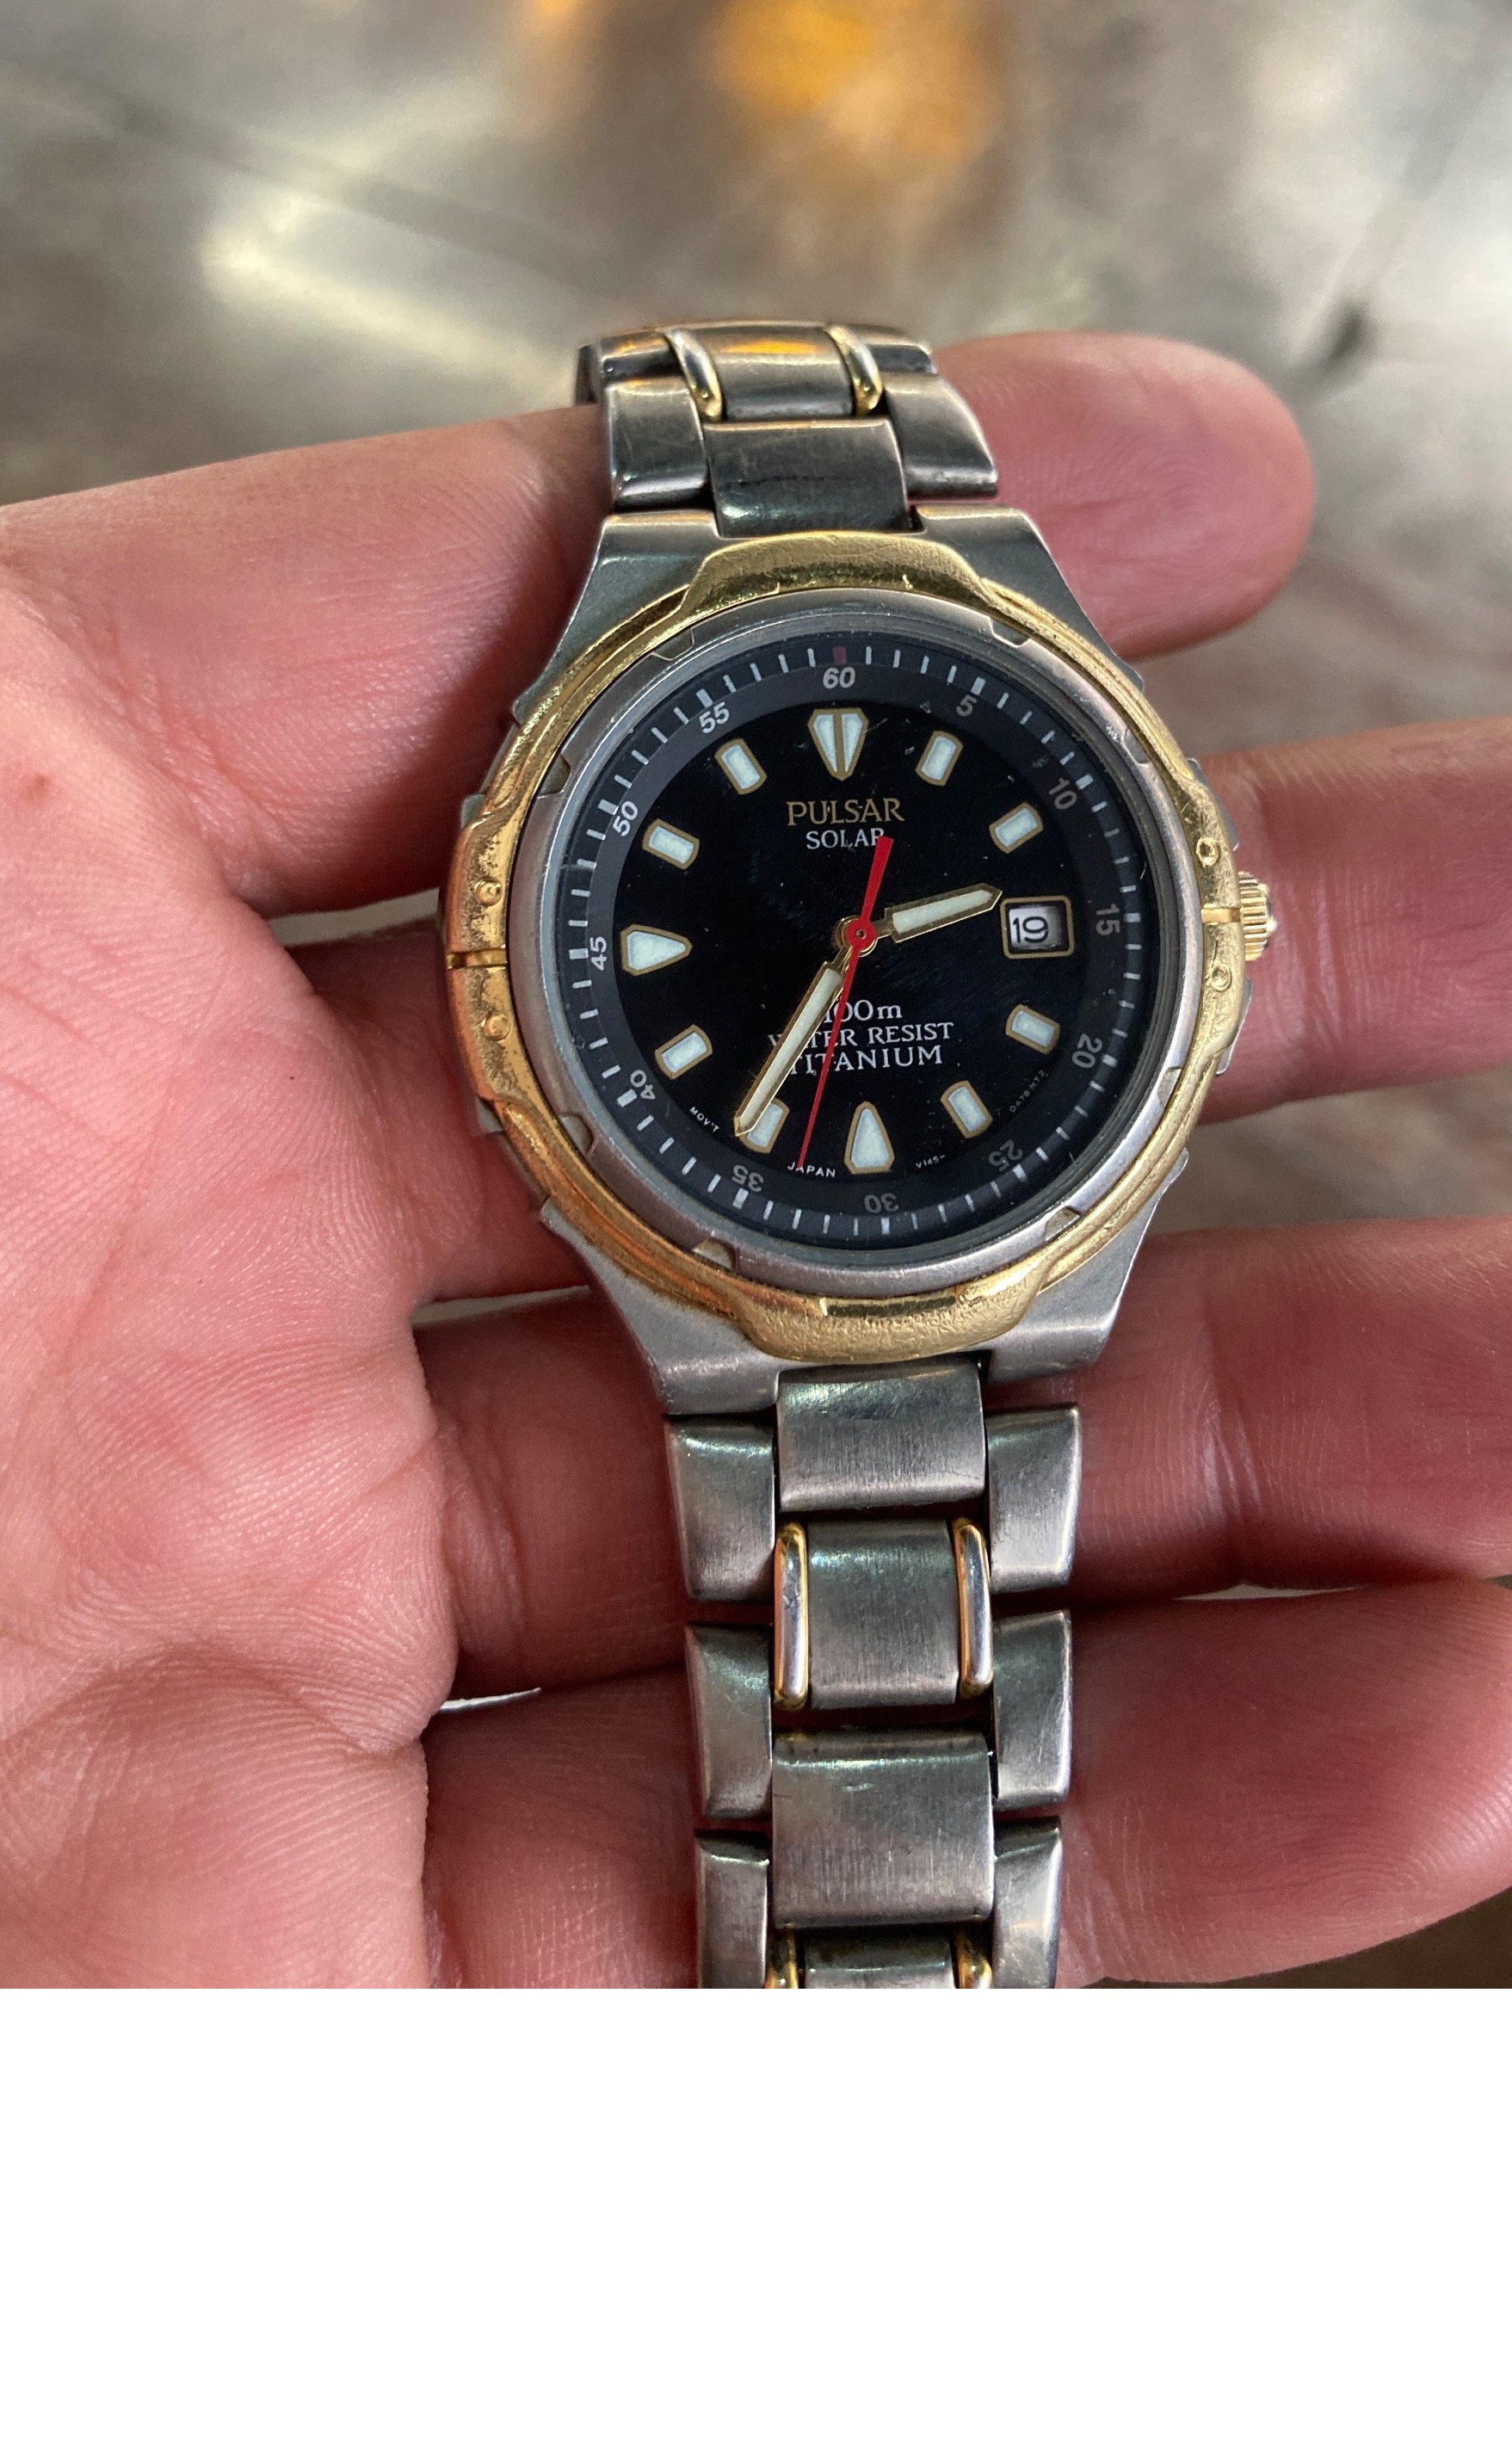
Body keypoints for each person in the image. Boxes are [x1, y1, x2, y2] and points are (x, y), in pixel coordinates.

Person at [1, 329, 1507, 1988]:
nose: (857, 943)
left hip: (948, 1225)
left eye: (872, 931)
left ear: (1214, 930)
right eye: (858, 935)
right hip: (741, 1241)